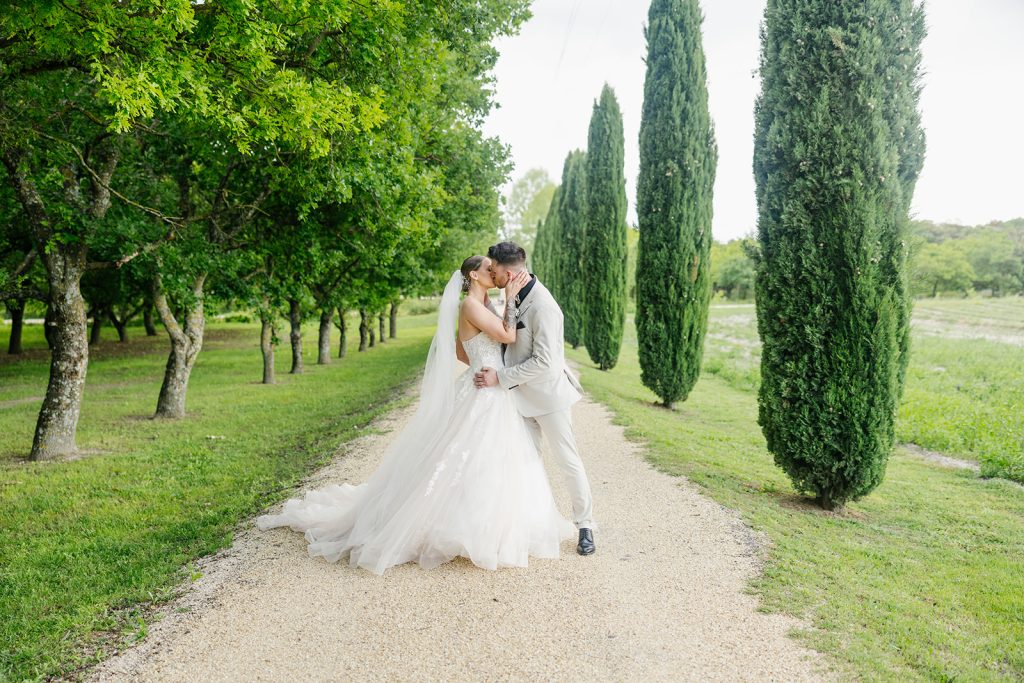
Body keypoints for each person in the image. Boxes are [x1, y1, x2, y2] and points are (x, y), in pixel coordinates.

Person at [256, 256, 575, 575]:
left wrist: (485, 362)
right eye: (489, 268)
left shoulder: (483, 304)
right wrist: (510, 303)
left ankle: (495, 524)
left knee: (490, 459)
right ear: (474, 275)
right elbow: (507, 336)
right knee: (465, 455)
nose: (495, 271)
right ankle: (455, 529)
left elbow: (461, 349)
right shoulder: (470, 306)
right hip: (484, 390)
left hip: (489, 385)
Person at [473, 241, 596, 556]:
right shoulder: (512, 295)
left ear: (508, 271)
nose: (492, 274)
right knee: (524, 463)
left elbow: (546, 362)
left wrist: (500, 378)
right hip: (517, 400)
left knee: (568, 462)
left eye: (495, 270)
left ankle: (585, 526)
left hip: (547, 398)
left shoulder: (544, 306)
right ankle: (529, 527)